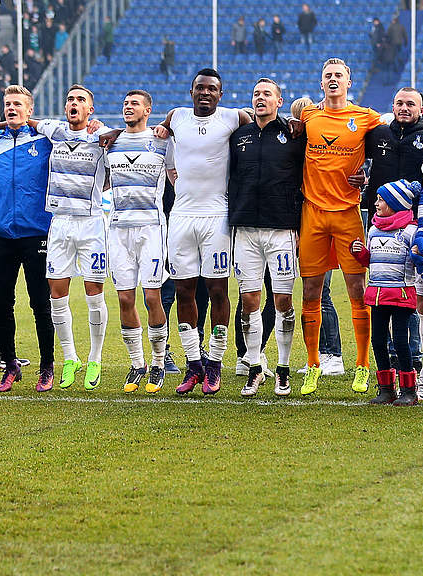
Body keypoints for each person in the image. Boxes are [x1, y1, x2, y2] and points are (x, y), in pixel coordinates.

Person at [154, 68, 252, 395]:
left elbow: (262, 124)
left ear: (220, 94)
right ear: (191, 90)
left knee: (217, 289)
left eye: (212, 89)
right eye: (200, 88)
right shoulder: (176, 117)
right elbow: (154, 133)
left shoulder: (233, 117)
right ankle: (193, 363)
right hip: (180, 214)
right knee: (183, 290)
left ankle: (215, 363)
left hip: (216, 215)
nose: (205, 93)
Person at [296, 58, 385, 396]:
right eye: (327, 76)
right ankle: (313, 365)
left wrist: (369, 175)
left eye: (338, 76)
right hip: (313, 214)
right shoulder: (308, 116)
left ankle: (362, 365)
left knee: (357, 292)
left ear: (350, 81)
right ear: (321, 84)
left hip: (348, 214)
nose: (333, 80)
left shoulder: (365, 117)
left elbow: (394, 136)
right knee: (310, 293)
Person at [14, 85, 110, 390]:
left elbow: (123, 143)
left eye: (81, 100)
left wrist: (110, 130)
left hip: (92, 223)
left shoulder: (102, 137)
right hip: (59, 224)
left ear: (90, 110)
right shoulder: (54, 131)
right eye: (70, 99)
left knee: (94, 292)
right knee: (57, 294)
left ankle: (95, 357)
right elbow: (28, 122)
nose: (74, 103)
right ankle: (71, 358)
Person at [228, 78, 305, 397]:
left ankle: (284, 369)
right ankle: (255, 367)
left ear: (278, 101)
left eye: (267, 95)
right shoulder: (239, 137)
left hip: (281, 229)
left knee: (283, 300)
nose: (260, 98)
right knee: (249, 300)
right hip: (245, 228)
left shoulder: (293, 134)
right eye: (256, 94)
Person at [363, 86, 423, 398]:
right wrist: (361, 182)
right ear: (392, 105)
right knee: (384, 275)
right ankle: (389, 380)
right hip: (380, 221)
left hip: (419, 226)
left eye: (411, 104)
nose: (404, 108)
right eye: (399, 103)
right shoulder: (378, 133)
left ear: (421, 109)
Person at [0, 85, 53, 392]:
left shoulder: (45, 139)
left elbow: (75, 133)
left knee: (40, 302)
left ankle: (47, 366)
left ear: (30, 110)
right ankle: (10, 364)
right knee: (1, 302)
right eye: (7, 104)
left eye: (17, 104)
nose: (11, 108)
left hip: (36, 231)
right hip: (2, 232)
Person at [104, 90, 170, 394]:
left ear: (148, 109)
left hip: (151, 229)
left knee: (152, 297)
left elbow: (177, 177)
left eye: (134, 104)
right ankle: (137, 363)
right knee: (125, 299)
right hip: (118, 229)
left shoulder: (161, 142)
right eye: (125, 103)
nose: (128, 107)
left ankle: (158, 362)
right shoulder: (111, 142)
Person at [352, 180, 423, 406]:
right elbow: (371, 261)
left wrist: (420, 256)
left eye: (381, 200)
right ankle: (386, 389)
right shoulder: (373, 229)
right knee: (378, 340)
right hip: (377, 294)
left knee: (401, 342)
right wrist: (360, 254)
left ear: (395, 203)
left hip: (401, 294)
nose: (375, 203)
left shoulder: (410, 231)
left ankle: (409, 390)